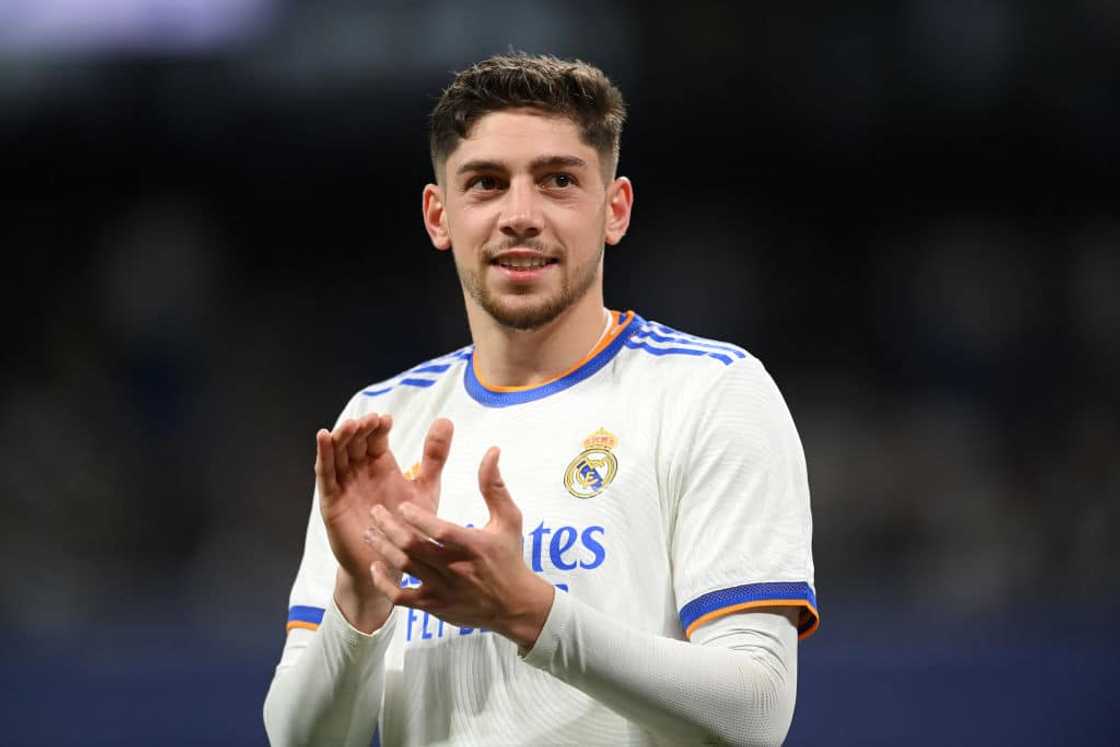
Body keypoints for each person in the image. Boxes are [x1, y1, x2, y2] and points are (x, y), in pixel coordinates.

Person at [263, 52, 818, 746]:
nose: (519, 215)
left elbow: (757, 712)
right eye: (486, 183)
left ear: (614, 210)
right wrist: (362, 594)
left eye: (558, 180)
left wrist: (530, 612)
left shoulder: (710, 393)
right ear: (439, 216)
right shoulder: (381, 424)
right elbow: (302, 738)